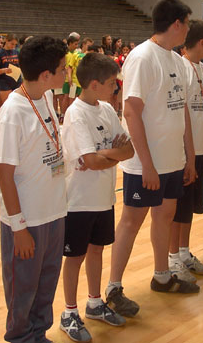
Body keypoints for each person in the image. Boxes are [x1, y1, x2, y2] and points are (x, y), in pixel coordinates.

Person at [105, 0, 198, 318]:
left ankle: (161, 275)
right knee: (131, 221)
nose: (189, 29)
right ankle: (113, 287)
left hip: (172, 160)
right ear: (176, 24)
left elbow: (182, 109)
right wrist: (146, 164)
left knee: (165, 216)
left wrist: (188, 156)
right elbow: (131, 111)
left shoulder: (178, 61)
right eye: (187, 23)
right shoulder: (142, 58)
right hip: (146, 163)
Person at [0, 36, 68, 343]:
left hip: (53, 212)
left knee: (47, 282)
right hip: (27, 220)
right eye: (64, 68)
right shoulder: (13, 113)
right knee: (22, 287)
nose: (68, 72)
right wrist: (19, 226)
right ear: (46, 75)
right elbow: (4, 175)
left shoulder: (47, 97)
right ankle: (20, 337)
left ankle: (39, 334)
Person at [60, 53, 134, 342]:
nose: (116, 88)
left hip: (104, 198)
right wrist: (106, 155)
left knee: (96, 251)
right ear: (93, 84)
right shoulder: (75, 114)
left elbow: (128, 149)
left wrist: (106, 155)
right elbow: (89, 160)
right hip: (78, 201)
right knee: (75, 257)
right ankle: (69, 312)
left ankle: (93, 303)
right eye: (111, 83)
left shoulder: (105, 109)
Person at [168, 20, 203, 278]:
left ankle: (184, 253)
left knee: (189, 208)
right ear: (201, 42)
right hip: (184, 153)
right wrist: (188, 153)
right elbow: (182, 113)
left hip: (200, 149)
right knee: (178, 208)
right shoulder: (182, 68)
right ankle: (172, 257)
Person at [0, 34, 21, 103]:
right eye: (12, 44)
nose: (13, 46)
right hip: (5, 82)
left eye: (15, 44)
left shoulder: (17, 52)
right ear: (6, 41)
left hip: (17, 81)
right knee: (7, 104)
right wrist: (4, 70)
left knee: (18, 104)